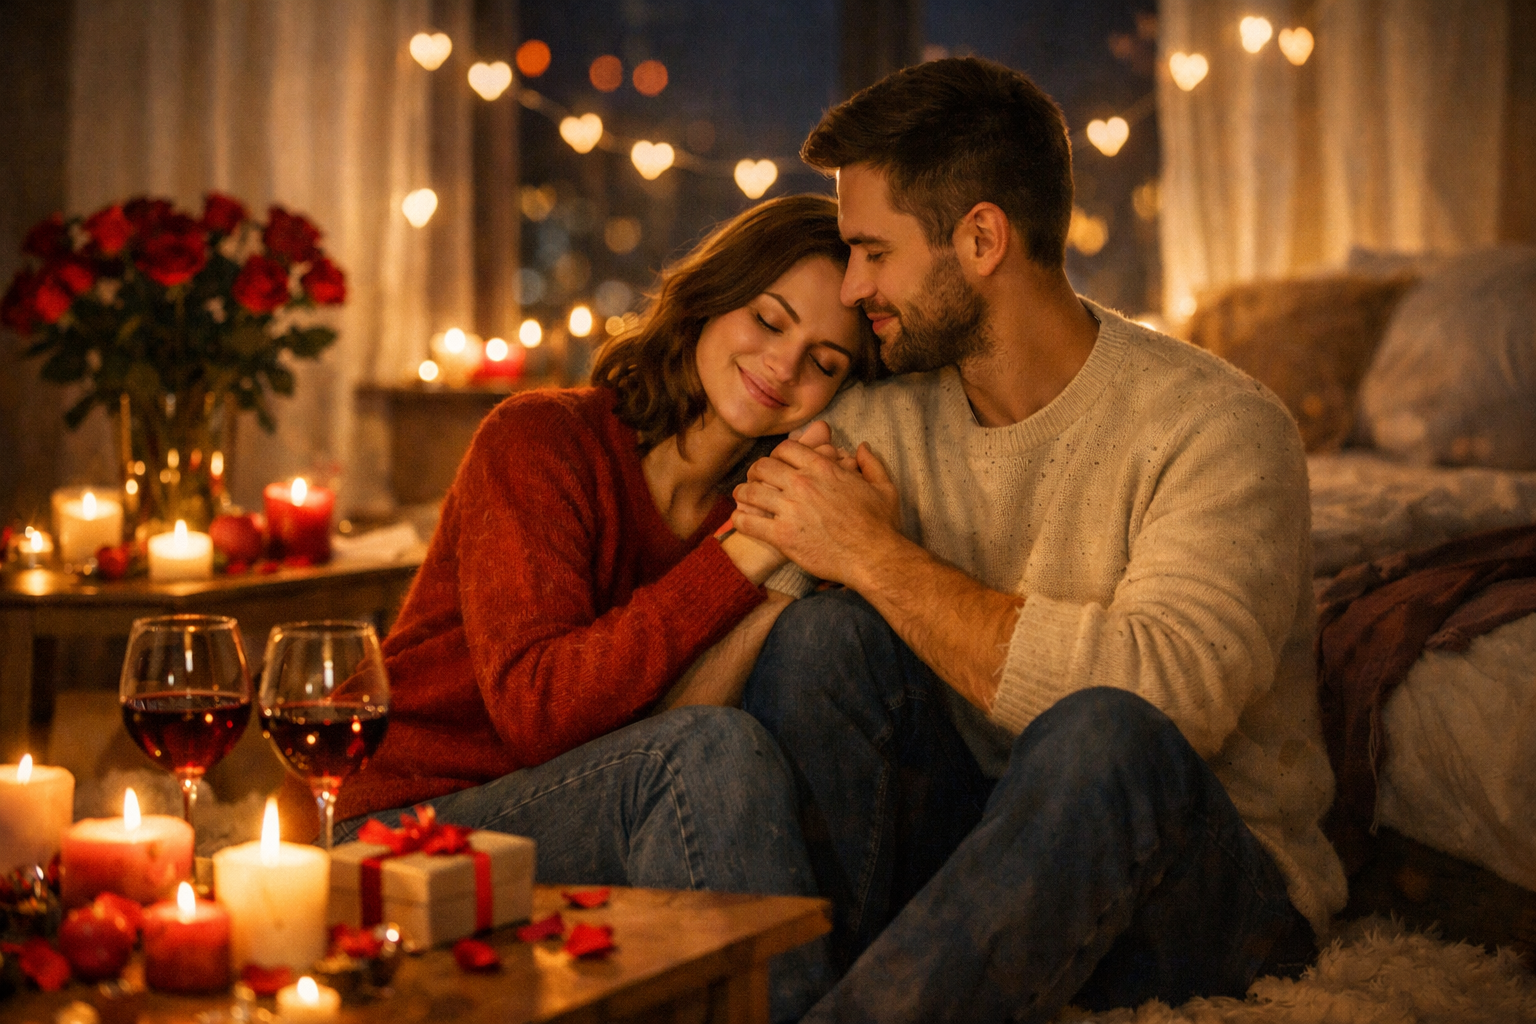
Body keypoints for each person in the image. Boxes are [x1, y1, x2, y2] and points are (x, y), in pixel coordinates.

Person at [730, 58, 1348, 1022]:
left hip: (1209, 885)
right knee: (816, 647)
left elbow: (1166, 707)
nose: (853, 289)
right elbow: (747, 607)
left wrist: (877, 559)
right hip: (986, 848)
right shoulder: (887, 417)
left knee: (1107, 729)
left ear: (981, 238)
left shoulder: (1217, 427)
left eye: (873, 252)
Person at [332, 194, 877, 1020]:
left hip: (571, 807)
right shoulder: (540, 439)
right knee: (711, 753)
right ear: (711, 298)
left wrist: (774, 586)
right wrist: (747, 557)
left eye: (826, 362)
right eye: (768, 319)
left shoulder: (754, 516)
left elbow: (666, 728)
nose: (786, 366)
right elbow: (540, 712)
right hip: (404, 831)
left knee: (744, 722)